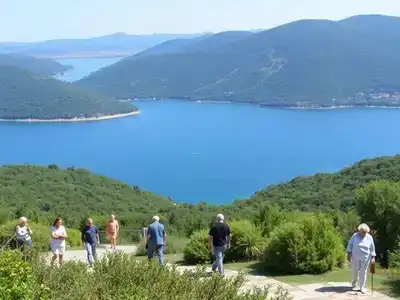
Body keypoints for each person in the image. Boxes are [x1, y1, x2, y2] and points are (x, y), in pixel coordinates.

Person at [346, 223, 376, 294]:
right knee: (354, 271)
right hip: (355, 257)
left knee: (363, 272)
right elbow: (350, 245)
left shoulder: (369, 237)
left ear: (367, 231)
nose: (364, 233)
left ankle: (362, 287)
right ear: (359, 231)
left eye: (365, 232)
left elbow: (372, 248)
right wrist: (348, 255)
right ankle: (354, 283)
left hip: (365, 258)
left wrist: (373, 258)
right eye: (362, 232)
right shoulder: (355, 236)